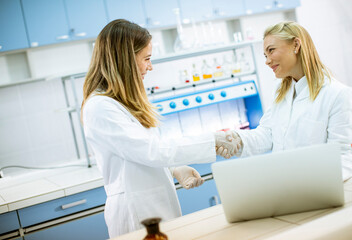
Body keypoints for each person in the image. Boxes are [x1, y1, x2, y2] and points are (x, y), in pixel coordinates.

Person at [80, 19, 240, 237]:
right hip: (135, 215)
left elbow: (142, 152)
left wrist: (174, 169)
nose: (150, 66)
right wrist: (212, 140)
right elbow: (151, 151)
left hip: (152, 207)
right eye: (146, 59)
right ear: (125, 60)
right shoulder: (100, 107)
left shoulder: (121, 102)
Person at [222, 21, 352, 181]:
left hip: (316, 189)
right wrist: (234, 140)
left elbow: (343, 156)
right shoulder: (282, 93)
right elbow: (266, 135)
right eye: (265, 55)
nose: (267, 61)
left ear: (296, 45)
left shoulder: (338, 94)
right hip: (283, 186)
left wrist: (317, 186)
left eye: (271, 51)